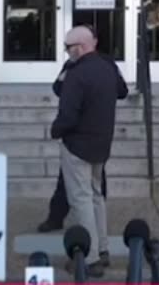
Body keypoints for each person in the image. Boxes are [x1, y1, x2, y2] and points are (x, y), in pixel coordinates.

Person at [38, 26, 129, 269]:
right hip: (101, 143)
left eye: (68, 47)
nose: (66, 52)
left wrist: (55, 130)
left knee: (82, 200)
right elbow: (122, 91)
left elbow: (68, 115)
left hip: (77, 145)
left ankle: (90, 258)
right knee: (96, 196)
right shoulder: (108, 67)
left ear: (81, 46)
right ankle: (103, 248)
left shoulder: (76, 74)